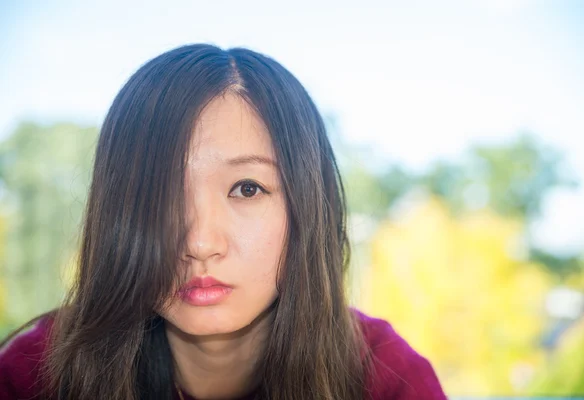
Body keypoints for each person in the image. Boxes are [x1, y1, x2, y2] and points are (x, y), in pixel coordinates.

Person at [0, 44, 446, 400]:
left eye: (247, 188)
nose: (199, 242)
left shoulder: (388, 381)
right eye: (161, 192)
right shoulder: (35, 375)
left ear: (307, 207)